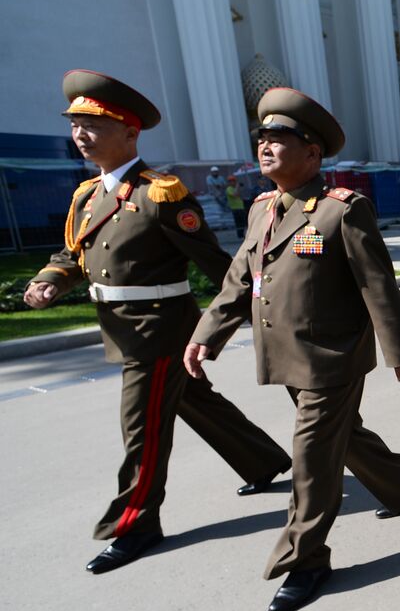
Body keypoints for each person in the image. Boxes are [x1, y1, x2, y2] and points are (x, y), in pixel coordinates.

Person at [25, 70, 290, 575]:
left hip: (160, 331)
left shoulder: (161, 194)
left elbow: (219, 266)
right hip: (122, 330)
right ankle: (263, 461)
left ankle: (135, 524)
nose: (81, 135)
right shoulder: (86, 195)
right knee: (194, 400)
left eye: (94, 126)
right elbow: (73, 252)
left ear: (129, 133)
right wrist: (51, 280)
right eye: (76, 125)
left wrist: (256, 310)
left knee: (141, 430)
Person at [185, 87, 400, 611]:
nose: (267, 148)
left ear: (313, 154)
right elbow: (238, 281)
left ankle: (306, 559)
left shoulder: (342, 211)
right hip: (285, 355)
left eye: (280, 139)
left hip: (333, 357)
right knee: (344, 438)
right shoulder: (261, 209)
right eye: (263, 139)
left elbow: (377, 287)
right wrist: (208, 333)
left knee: (312, 457)